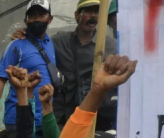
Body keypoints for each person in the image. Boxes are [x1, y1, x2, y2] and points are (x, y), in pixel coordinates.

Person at [51, 0, 118, 128]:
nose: (93, 15)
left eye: (96, 12)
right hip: (65, 117)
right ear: (77, 15)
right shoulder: (60, 41)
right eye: (88, 11)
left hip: (95, 119)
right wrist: (22, 36)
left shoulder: (110, 45)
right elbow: (39, 42)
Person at [0, 0, 55, 131]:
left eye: (41, 15)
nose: (36, 19)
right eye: (32, 16)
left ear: (50, 19)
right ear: (25, 21)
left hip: (44, 118)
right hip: (17, 119)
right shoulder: (16, 45)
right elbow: (1, 76)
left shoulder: (51, 44)